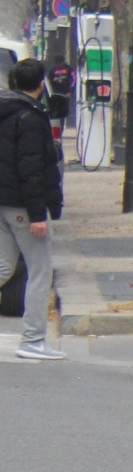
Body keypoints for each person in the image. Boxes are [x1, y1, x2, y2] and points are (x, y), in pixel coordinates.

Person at [0, 56, 64, 361]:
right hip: (23, 206)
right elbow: (32, 170)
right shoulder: (30, 118)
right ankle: (33, 339)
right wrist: (39, 215)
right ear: (41, 86)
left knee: (3, 266)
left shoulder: (3, 110)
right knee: (39, 271)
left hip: (1, 202)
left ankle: (34, 339)